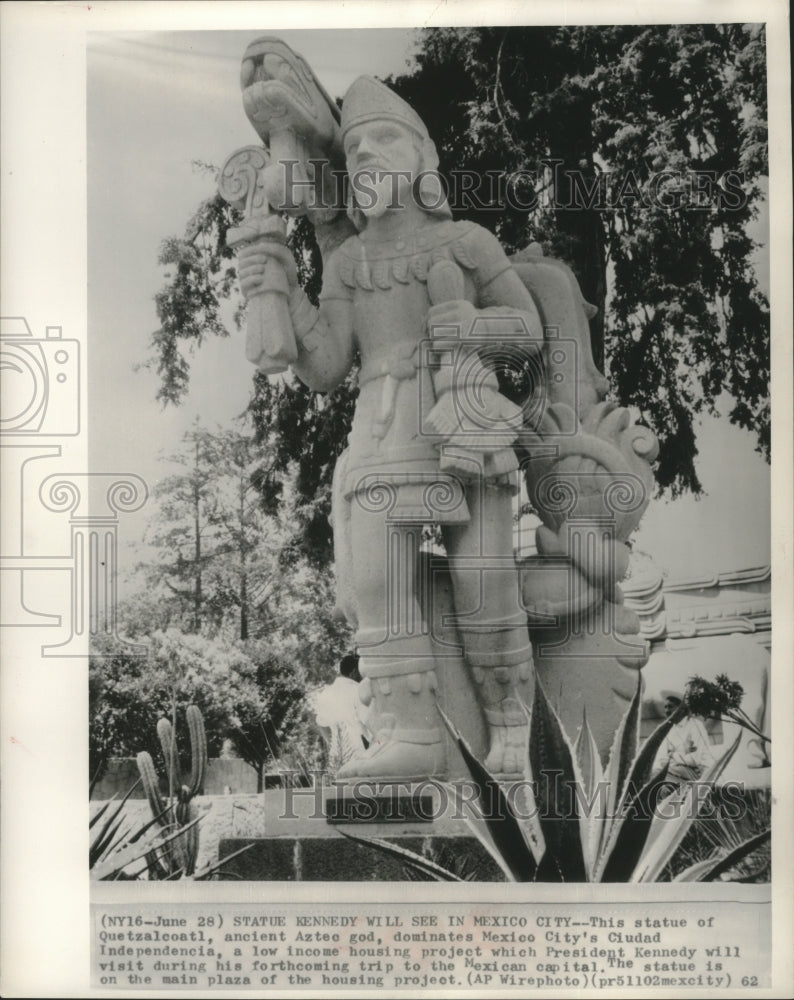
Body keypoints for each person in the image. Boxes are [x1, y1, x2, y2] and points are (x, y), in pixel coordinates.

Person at [239, 76, 544, 781]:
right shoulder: (347, 261)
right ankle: (413, 736)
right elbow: (322, 365)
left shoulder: (467, 241)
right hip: (379, 434)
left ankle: (516, 736)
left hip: (466, 423)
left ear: (422, 156)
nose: (367, 155)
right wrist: (275, 287)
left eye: (384, 139)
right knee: (379, 587)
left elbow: (527, 330)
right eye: (353, 147)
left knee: (485, 587)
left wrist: (472, 325)